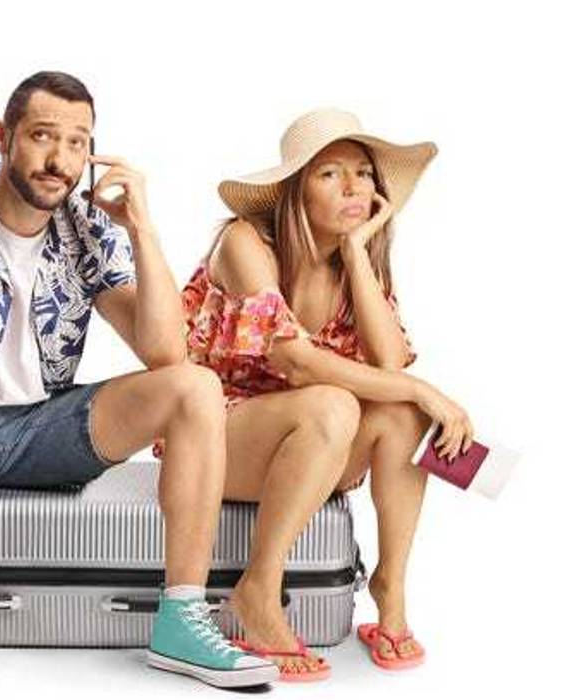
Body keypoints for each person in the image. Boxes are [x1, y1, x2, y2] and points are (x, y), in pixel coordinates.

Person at [0, 71, 277, 699]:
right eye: (44, 136)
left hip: (43, 430)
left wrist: (141, 227)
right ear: (4, 137)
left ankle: (181, 619)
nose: (60, 160)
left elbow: (164, 351)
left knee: (194, 387)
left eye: (78, 143)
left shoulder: (86, 226)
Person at [182, 108, 475, 679]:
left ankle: (390, 588)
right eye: (329, 174)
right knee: (343, 399)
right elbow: (293, 361)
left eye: (364, 174)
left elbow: (389, 364)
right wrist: (425, 389)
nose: (354, 187)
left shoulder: (354, 265)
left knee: (398, 414)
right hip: (218, 439)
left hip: (317, 441)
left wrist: (358, 251)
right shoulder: (245, 243)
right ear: (293, 192)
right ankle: (259, 588)